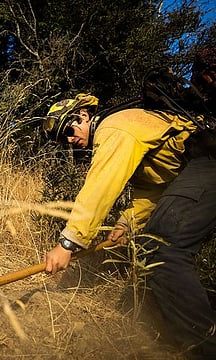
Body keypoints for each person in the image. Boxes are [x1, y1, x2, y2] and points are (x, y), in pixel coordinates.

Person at [43, 54, 216, 357]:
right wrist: (127, 223)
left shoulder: (115, 128)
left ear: (84, 115)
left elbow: (101, 185)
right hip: (201, 172)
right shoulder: (128, 128)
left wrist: (69, 242)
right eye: (62, 140)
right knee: (154, 246)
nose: (69, 140)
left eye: (69, 130)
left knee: (161, 250)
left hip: (210, 162)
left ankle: (204, 348)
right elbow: (154, 189)